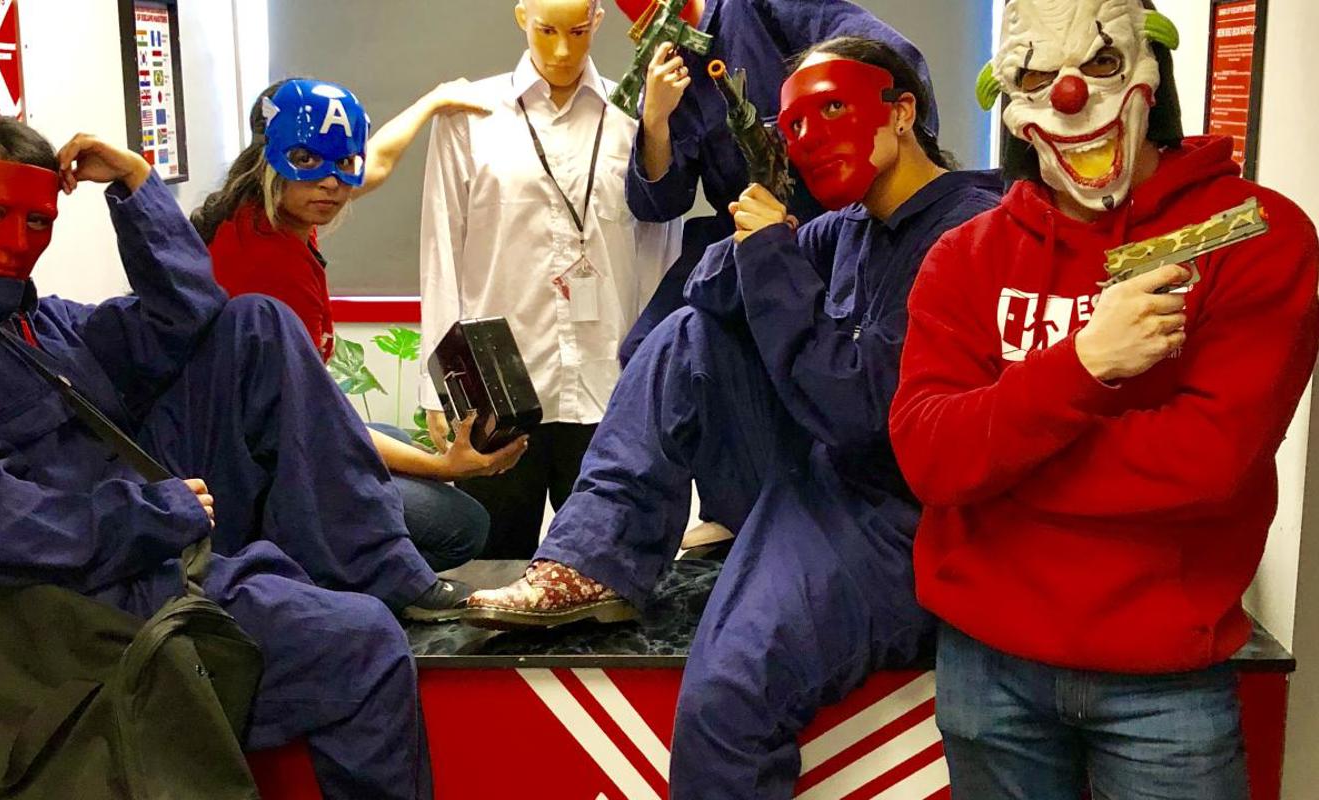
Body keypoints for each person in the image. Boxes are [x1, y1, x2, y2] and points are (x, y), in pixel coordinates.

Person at [466, 37, 1001, 797]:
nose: (811, 138)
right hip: (816, 480)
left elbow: (862, 414)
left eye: (833, 110)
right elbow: (709, 297)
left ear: (902, 111)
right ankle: (594, 556)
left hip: (900, 522)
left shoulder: (970, 231)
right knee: (687, 334)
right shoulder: (850, 227)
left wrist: (774, 254)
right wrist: (761, 231)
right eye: (795, 126)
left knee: (728, 701)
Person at [0, 114, 449, 798]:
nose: (18, 240)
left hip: (144, 537)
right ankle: (345, 604)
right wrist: (145, 515)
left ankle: (384, 571)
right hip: (74, 589)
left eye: (38, 221)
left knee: (256, 323)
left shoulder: (42, 321)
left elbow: (192, 310)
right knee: (363, 642)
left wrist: (137, 187)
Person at [888, 2, 1319, 798]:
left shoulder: (1253, 235)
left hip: (1166, 682)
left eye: (1100, 64)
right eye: (1036, 76)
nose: (1070, 95)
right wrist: (1084, 365)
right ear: (1008, 101)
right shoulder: (965, 257)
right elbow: (931, 457)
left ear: (1149, 71)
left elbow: (1209, 462)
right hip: (990, 667)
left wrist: (1002, 469)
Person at [196, 77, 525, 574]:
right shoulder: (267, 267)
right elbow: (315, 422)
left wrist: (431, 100)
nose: (331, 183)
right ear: (271, 160)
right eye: (307, 160)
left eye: (343, 164)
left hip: (271, 435)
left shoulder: (267, 210)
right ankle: (315, 582)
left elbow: (378, 162)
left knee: (394, 440)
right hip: (261, 465)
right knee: (462, 524)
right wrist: (444, 467)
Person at [419, 0, 681, 558]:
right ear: (522, 18)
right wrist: (436, 386)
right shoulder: (469, 117)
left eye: (579, 31)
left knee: (607, 567)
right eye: (547, 30)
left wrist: (655, 376)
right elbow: (441, 247)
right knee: (491, 565)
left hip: (608, 385)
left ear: (599, 22)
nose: (563, 50)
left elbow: (660, 247)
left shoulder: (636, 116)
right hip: (499, 389)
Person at [613, 0, 939, 363]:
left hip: (834, 230)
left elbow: (896, 62)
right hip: (748, 236)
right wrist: (655, 121)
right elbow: (658, 203)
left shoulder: (761, 10)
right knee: (648, 350)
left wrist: (881, 192)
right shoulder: (669, 71)